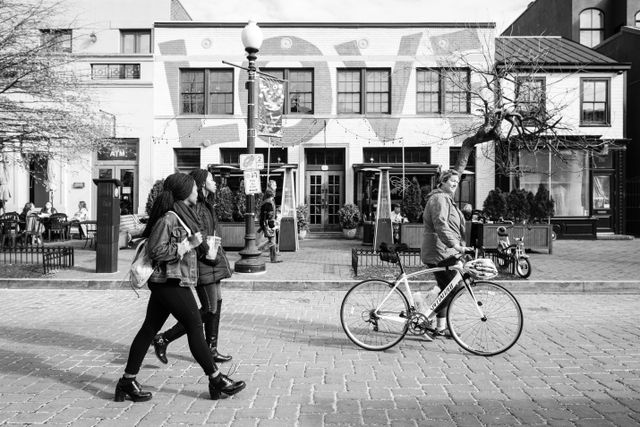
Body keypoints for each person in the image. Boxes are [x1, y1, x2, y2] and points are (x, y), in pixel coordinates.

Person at [114, 172, 245, 403]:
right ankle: (216, 380)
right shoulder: (169, 219)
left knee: (149, 330)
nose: (197, 192)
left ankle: (127, 381)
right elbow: (156, 251)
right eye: (194, 188)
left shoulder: (184, 215)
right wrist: (186, 246)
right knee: (195, 325)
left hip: (171, 282)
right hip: (170, 282)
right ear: (185, 193)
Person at [152, 169, 233, 366]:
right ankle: (164, 338)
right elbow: (197, 233)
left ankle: (211, 347)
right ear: (201, 183)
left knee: (216, 304)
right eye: (211, 180)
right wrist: (207, 252)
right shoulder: (195, 207)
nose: (215, 183)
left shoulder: (206, 204)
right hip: (203, 261)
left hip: (212, 259)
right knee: (208, 309)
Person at [420, 169, 472, 338]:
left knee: (446, 288)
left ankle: (440, 327)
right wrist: (456, 245)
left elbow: (454, 227)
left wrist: (459, 247)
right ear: (442, 181)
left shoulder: (447, 199)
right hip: (439, 251)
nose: (455, 183)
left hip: (445, 251)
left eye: (457, 181)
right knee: (453, 288)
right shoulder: (439, 198)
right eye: (452, 181)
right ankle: (425, 319)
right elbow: (441, 225)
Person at [258, 189, 281, 263]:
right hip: (269, 224)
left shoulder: (264, 202)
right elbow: (270, 215)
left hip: (264, 223)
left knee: (271, 241)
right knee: (272, 242)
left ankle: (273, 258)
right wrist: (273, 225)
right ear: (272, 195)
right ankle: (258, 251)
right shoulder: (269, 203)